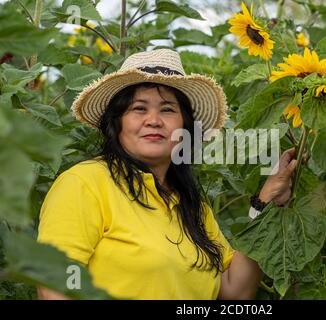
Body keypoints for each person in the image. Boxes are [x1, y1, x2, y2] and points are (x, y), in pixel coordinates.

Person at [37, 49, 297, 300]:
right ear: (116, 123)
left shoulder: (192, 205)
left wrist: (268, 201)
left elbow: (234, 290)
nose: (154, 120)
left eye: (167, 110)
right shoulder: (86, 183)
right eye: (139, 108)